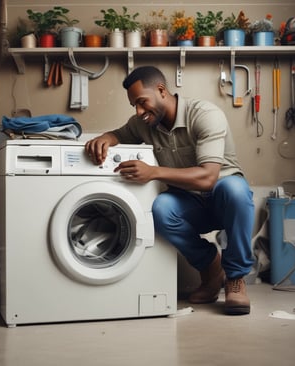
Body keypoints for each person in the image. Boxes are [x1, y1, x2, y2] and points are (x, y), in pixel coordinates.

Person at [85, 66, 255, 315]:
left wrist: (153, 172)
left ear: (162, 90)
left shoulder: (205, 114)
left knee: (236, 189)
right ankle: (211, 269)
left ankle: (235, 279)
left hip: (223, 198)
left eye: (142, 102)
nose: (139, 111)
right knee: (161, 208)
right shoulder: (143, 124)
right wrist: (104, 139)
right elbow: (119, 134)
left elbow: (208, 177)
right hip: (189, 203)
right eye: (134, 105)